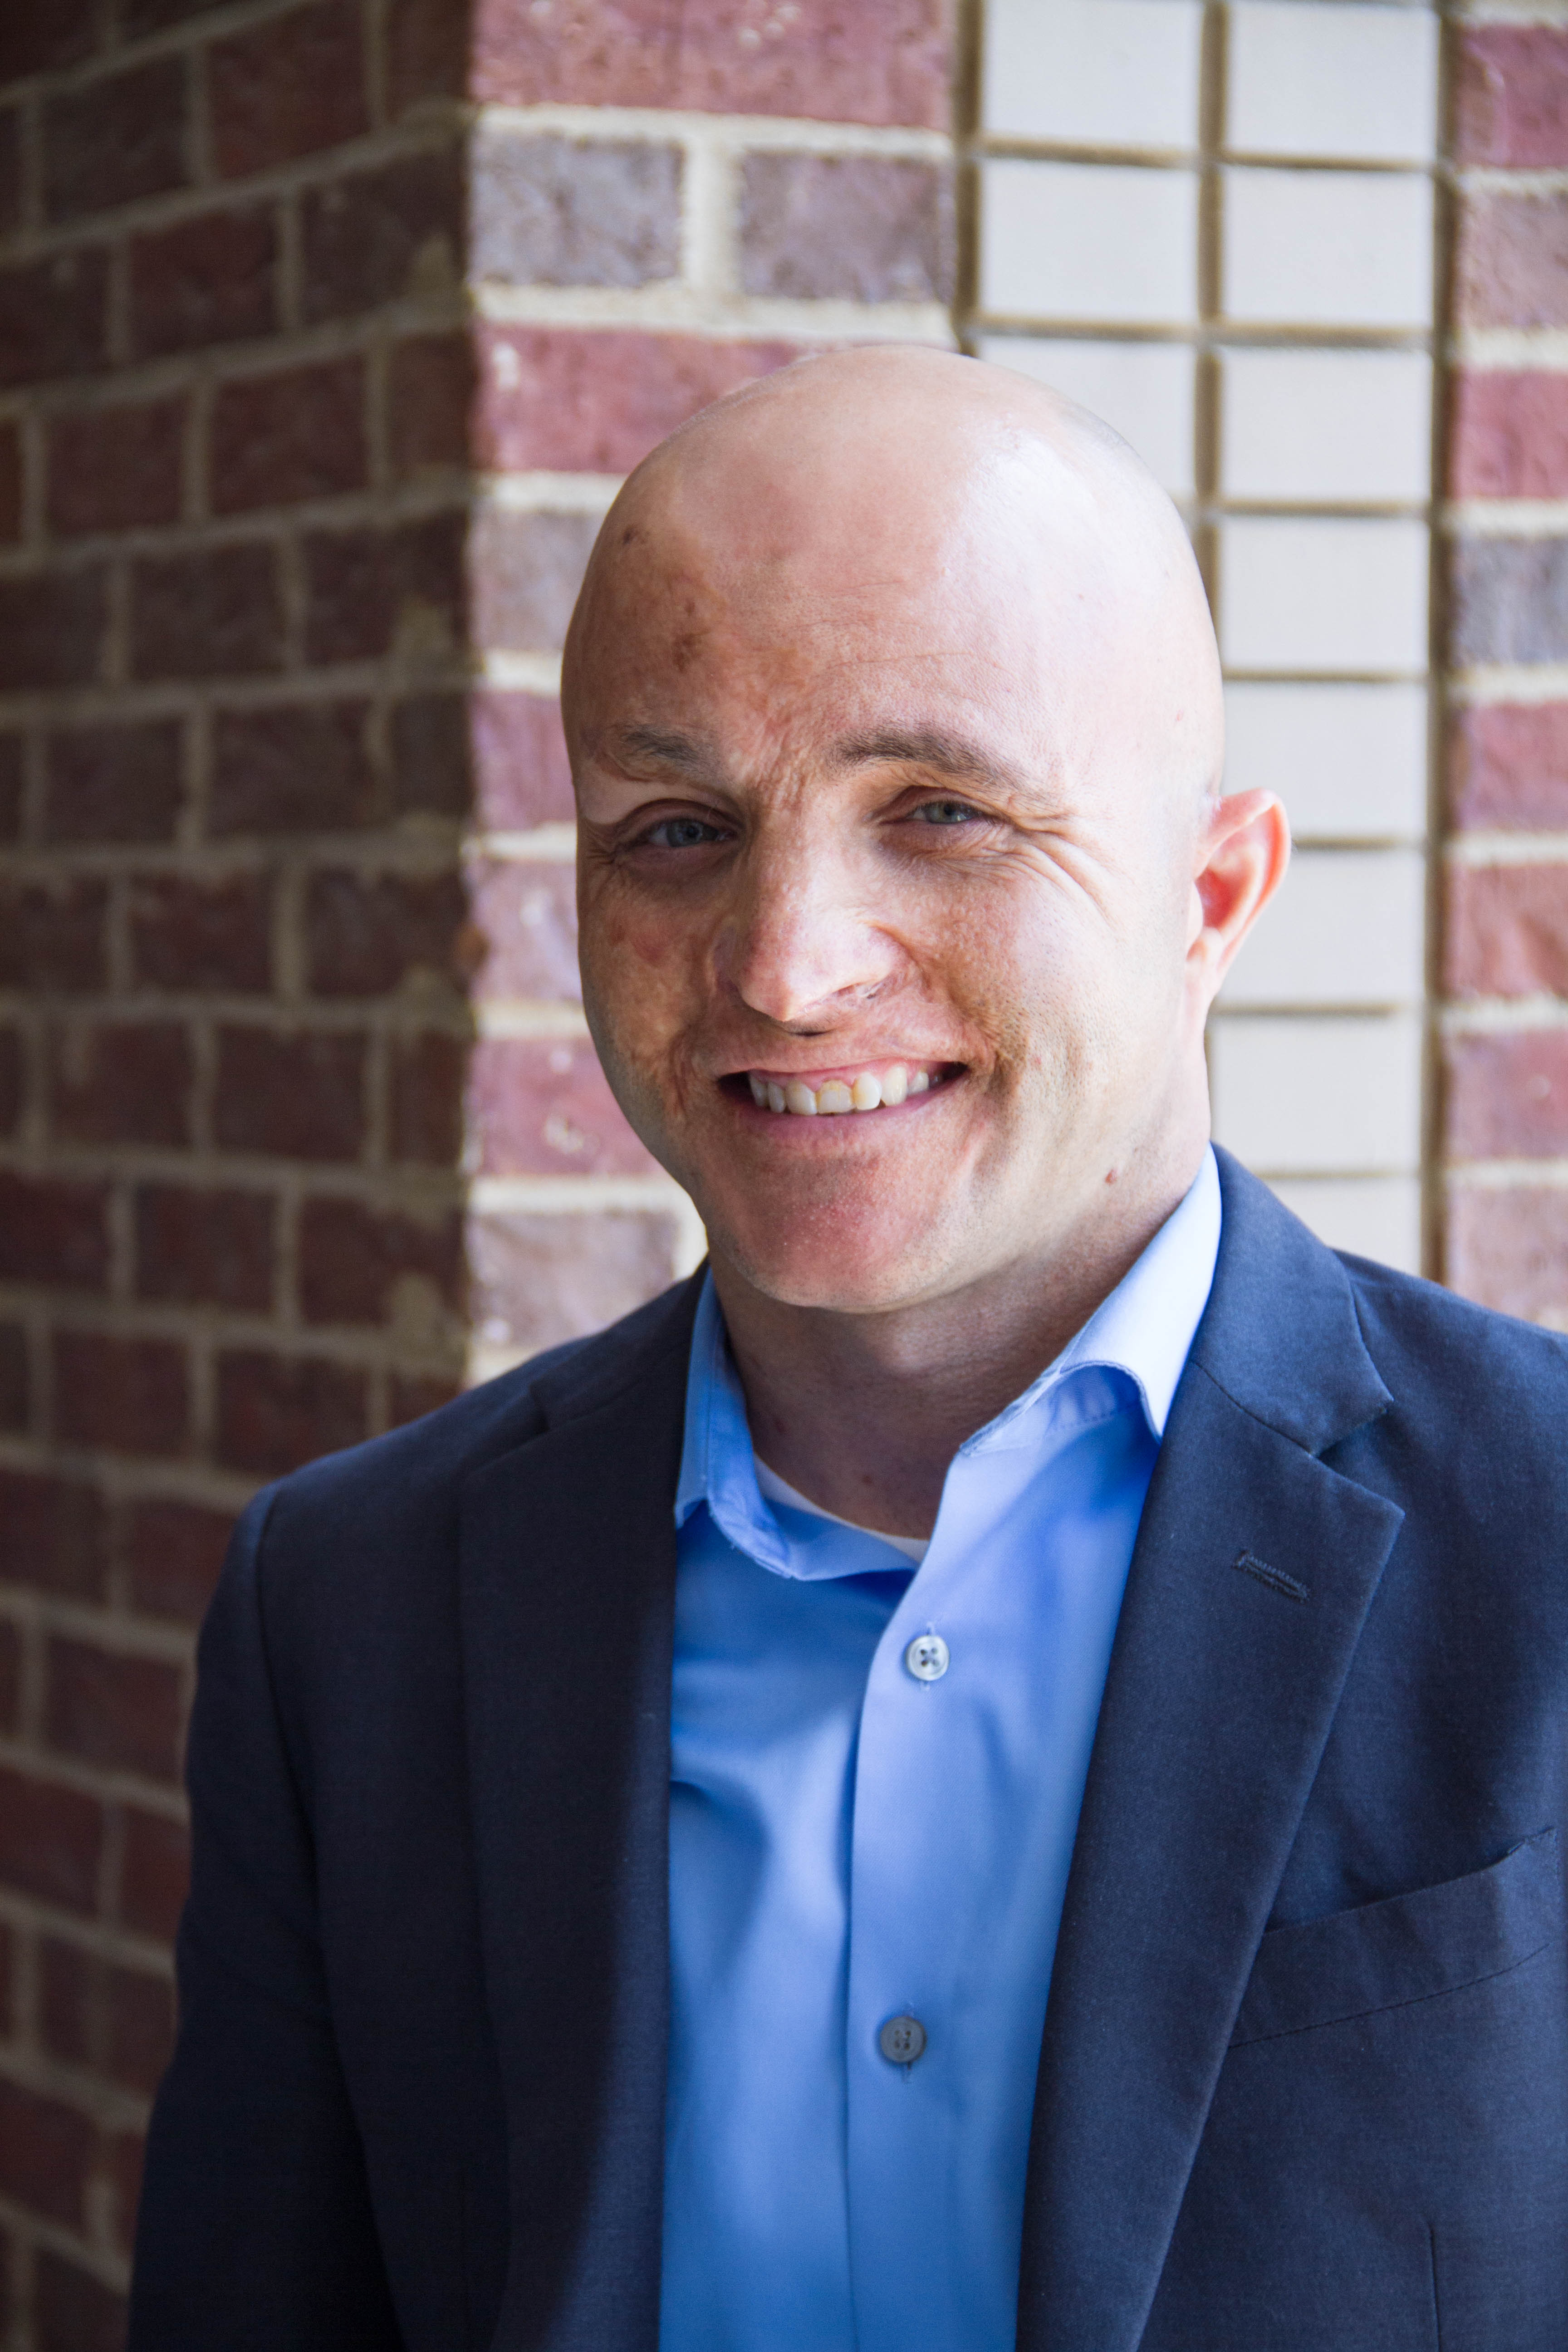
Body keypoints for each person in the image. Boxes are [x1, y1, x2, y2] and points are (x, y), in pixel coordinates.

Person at [130, 348, 1568, 2352]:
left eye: (943, 811)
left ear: (1211, 899)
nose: (788, 965)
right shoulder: (351, 1611)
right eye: (674, 830)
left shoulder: (1544, 1532)